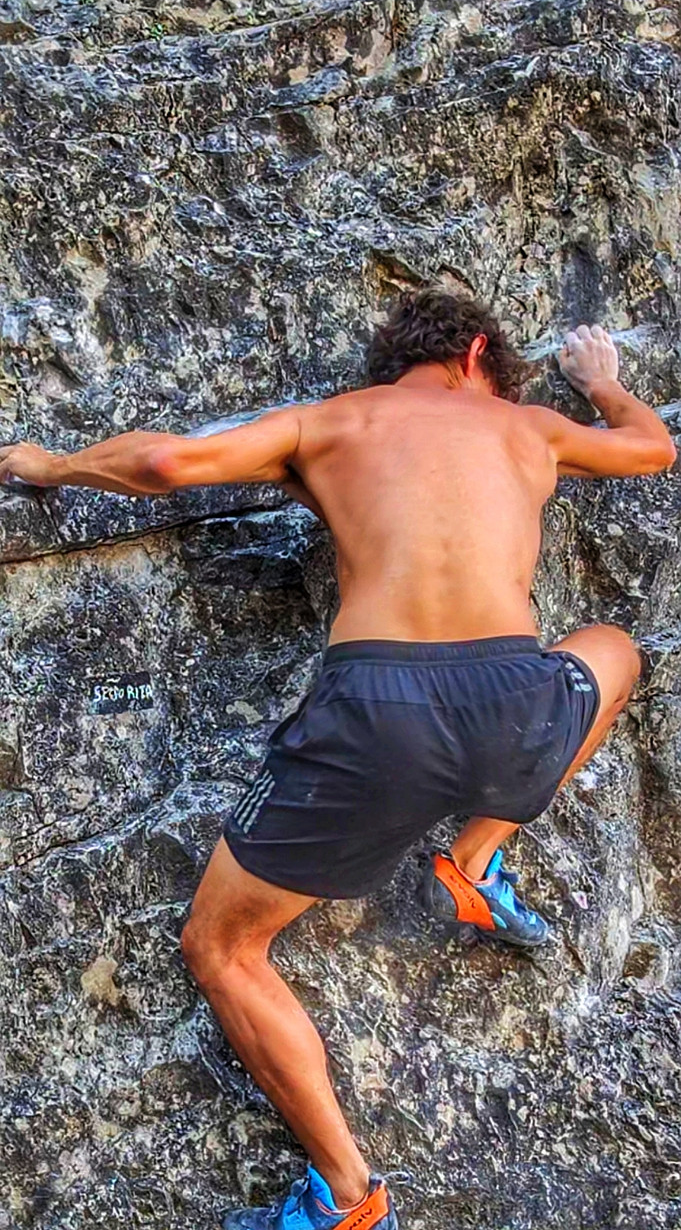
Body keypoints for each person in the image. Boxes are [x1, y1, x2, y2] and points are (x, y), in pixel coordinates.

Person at [1, 288, 675, 1230]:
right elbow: (651, 447)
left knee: (222, 947)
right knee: (613, 652)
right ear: (477, 354)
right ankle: (474, 861)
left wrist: (49, 463)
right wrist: (601, 383)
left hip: (377, 712)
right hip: (514, 703)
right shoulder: (528, 427)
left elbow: (165, 462)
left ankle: (351, 1199)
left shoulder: (331, 422)